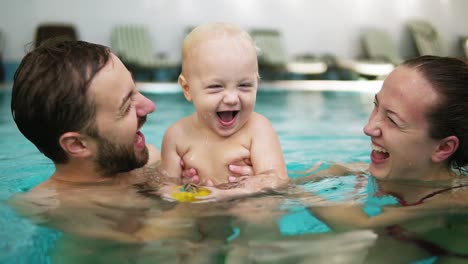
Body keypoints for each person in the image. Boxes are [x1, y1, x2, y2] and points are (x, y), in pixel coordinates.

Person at [158, 23, 288, 187]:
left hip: (246, 202)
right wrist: (178, 186)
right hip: (200, 207)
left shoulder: (258, 130)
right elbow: (165, 188)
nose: (232, 99)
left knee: (254, 212)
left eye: (245, 85)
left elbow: (277, 180)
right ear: (187, 89)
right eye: (216, 87)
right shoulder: (176, 136)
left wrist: (242, 189)